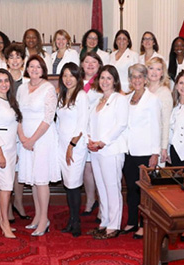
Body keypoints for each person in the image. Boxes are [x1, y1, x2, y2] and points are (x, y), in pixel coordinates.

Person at [17, 55, 60, 237]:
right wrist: (22, 137)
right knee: (33, 179)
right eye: (31, 66)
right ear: (27, 69)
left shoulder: (48, 88)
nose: (34, 70)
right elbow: (17, 114)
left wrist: (32, 139)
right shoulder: (21, 88)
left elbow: (48, 118)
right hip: (25, 138)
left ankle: (44, 219)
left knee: (41, 180)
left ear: (43, 70)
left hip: (42, 138)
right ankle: (37, 216)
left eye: (38, 67)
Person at [86, 65, 128, 240]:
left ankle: (114, 225)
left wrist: (103, 142)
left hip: (111, 150)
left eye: (108, 78)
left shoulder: (120, 99)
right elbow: (90, 123)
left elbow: (121, 124)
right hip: (95, 151)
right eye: (102, 78)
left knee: (112, 187)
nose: (105, 81)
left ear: (115, 80)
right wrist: (89, 140)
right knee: (101, 188)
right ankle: (104, 221)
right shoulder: (97, 100)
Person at [123, 64, 162, 239]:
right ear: (130, 80)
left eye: (140, 77)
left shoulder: (152, 99)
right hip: (128, 150)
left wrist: (155, 153)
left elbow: (156, 126)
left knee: (143, 191)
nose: (136, 80)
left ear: (145, 79)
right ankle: (131, 221)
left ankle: (143, 224)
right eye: (133, 77)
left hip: (145, 151)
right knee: (131, 188)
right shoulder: (126, 98)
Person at [0, 69, 23, 239]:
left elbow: (13, 128)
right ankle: (4, 222)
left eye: (6, 81)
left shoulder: (9, 101)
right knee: (6, 187)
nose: (3, 84)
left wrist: (13, 150)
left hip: (10, 148)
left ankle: (0, 217)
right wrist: (0, 154)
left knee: (5, 187)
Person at [56, 63, 89, 237]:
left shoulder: (81, 96)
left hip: (75, 146)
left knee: (74, 184)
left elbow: (82, 124)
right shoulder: (62, 96)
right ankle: (71, 220)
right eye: (65, 75)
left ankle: (76, 222)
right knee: (68, 185)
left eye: (71, 75)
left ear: (78, 77)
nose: (68, 79)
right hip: (61, 145)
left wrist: (71, 145)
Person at [80, 51, 104, 216]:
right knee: (86, 169)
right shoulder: (75, 82)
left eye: (93, 62)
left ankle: (103, 206)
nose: (90, 65)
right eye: (87, 61)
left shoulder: (103, 83)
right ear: (82, 64)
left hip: (98, 132)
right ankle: (90, 200)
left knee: (99, 170)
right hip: (81, 133)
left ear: (99, 65)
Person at [146, 57, 174, 167]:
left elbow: (166, 122)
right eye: (151, 68)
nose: (154, 72)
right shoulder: (142, 89)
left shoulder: (164, 92)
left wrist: (163, 148)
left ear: (162, 73)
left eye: (158, 69)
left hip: (156, 144)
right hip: (142, 141)